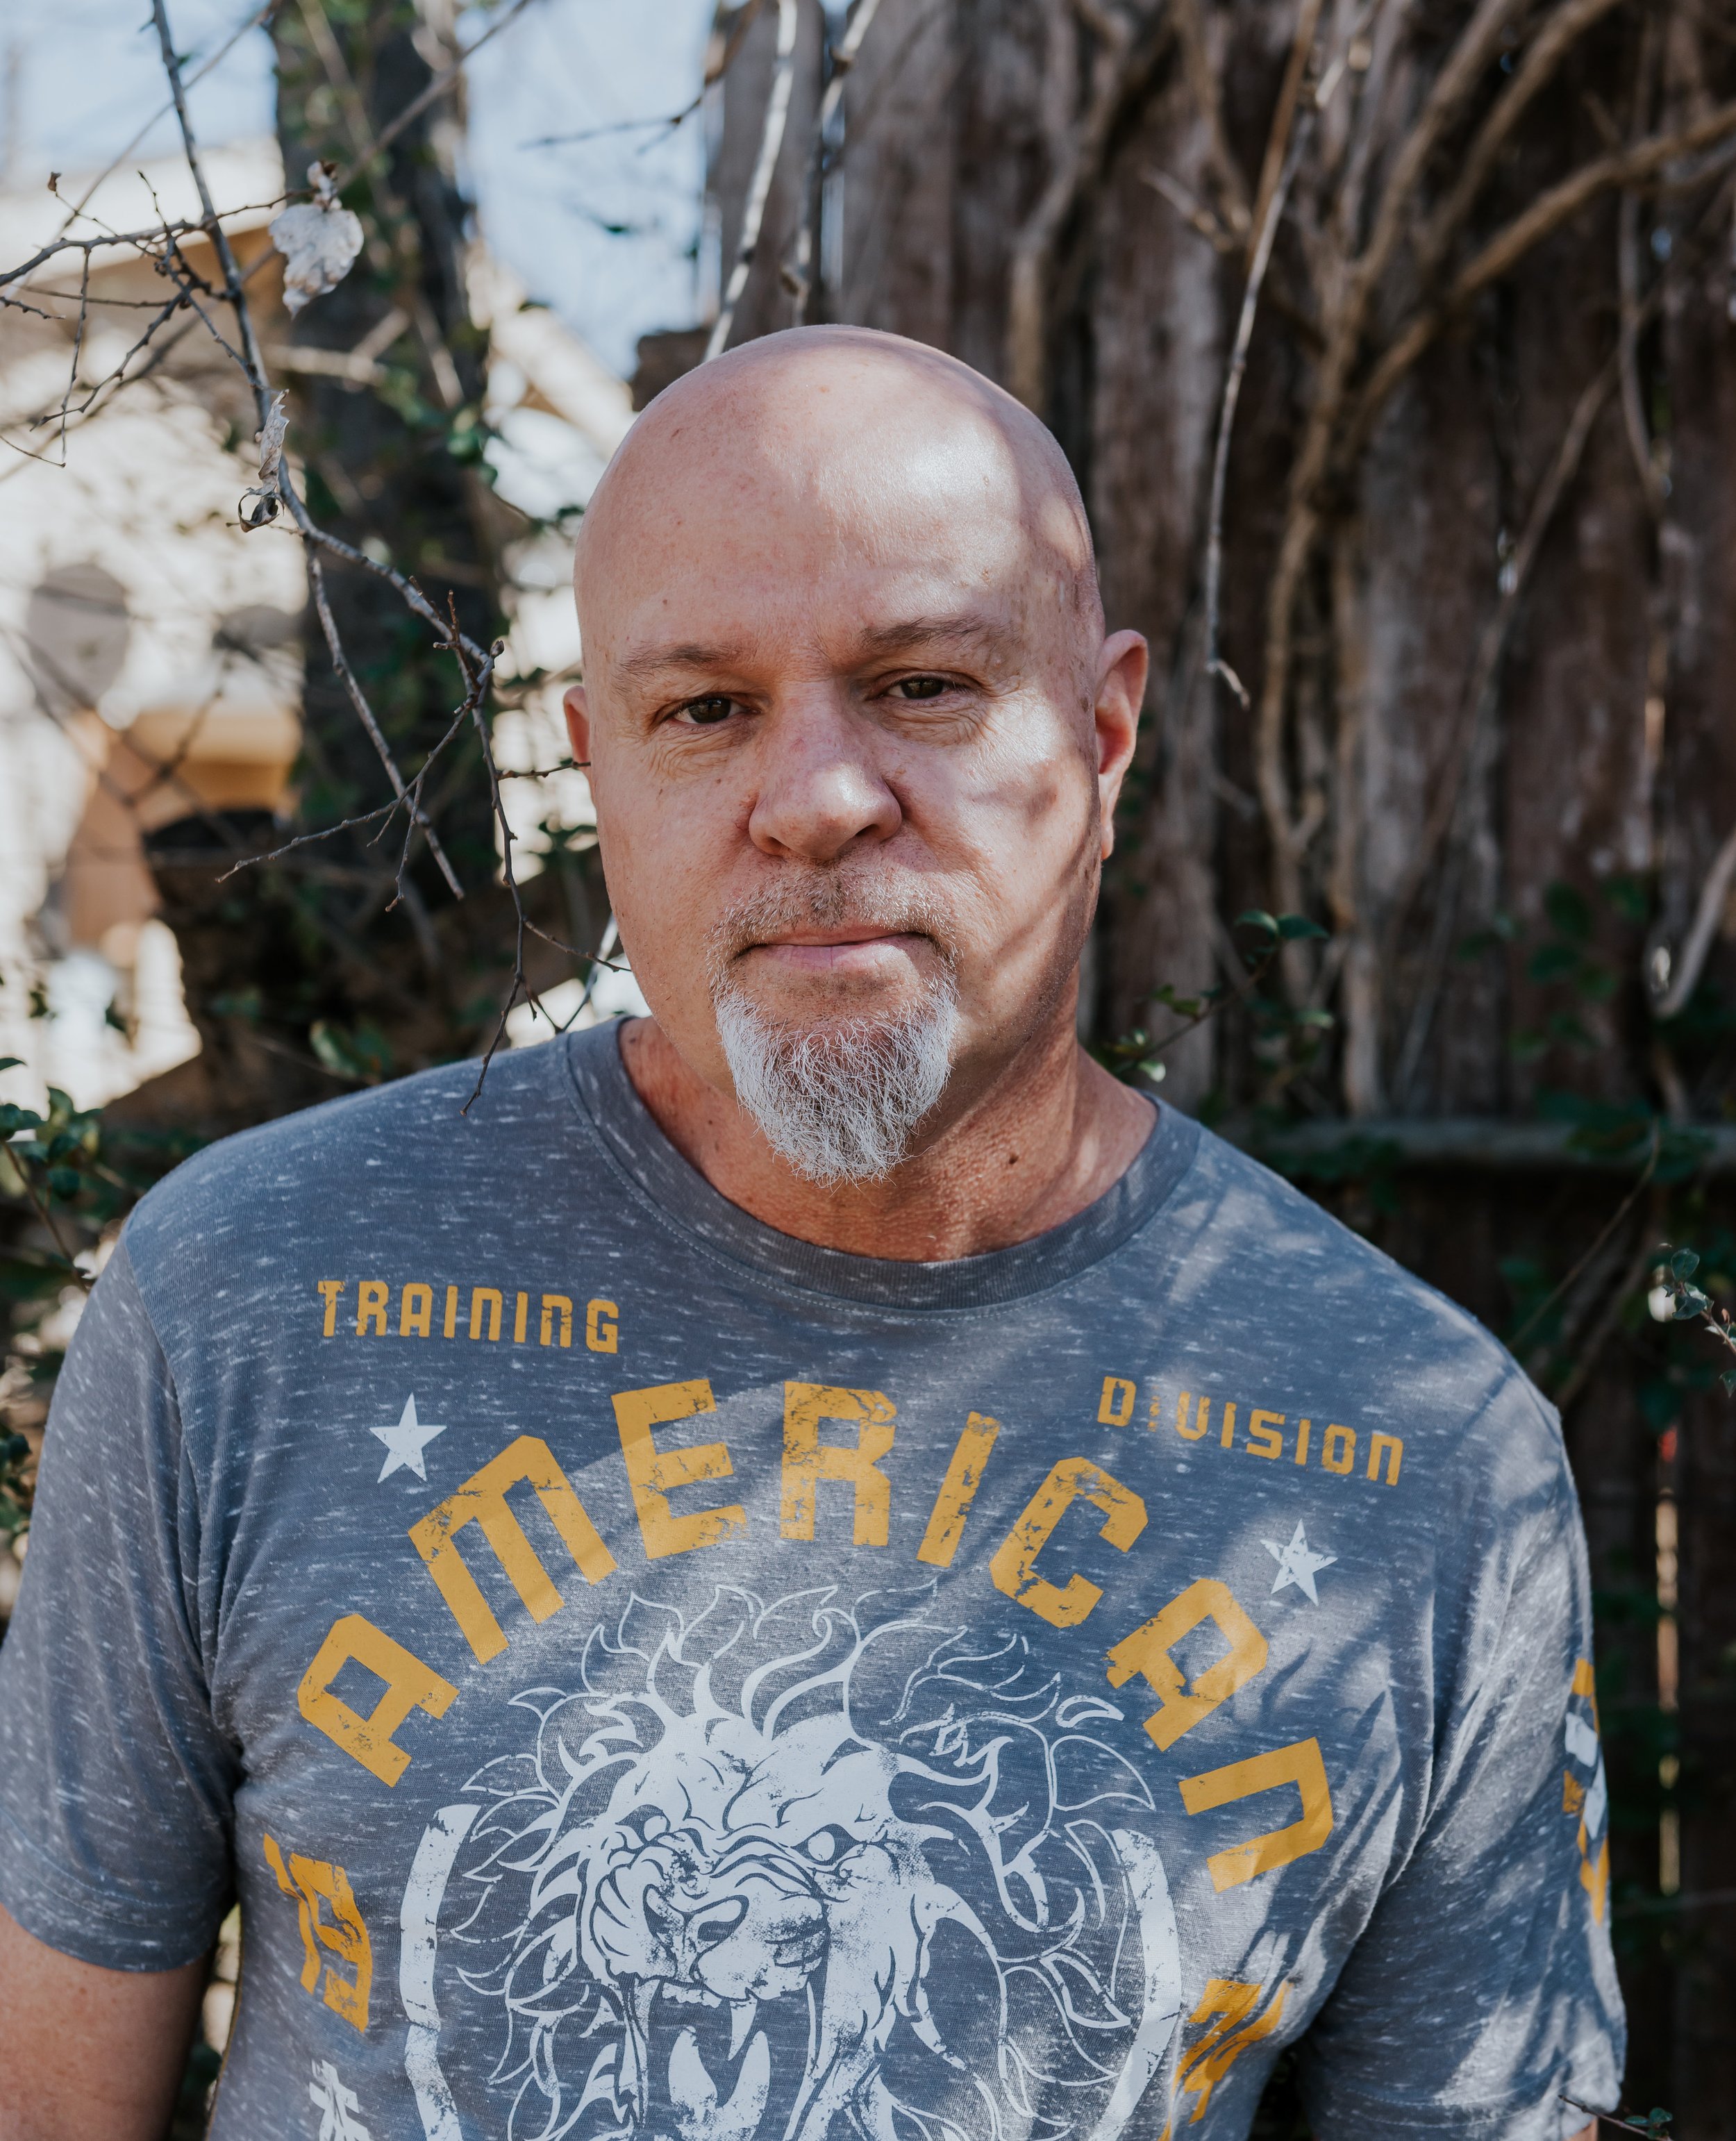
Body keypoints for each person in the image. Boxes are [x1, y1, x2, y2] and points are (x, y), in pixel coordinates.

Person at [0, 328, 1619, 2141]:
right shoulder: (247, 1290)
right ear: (595, 764)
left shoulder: (1421, 1451)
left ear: (1099, 734)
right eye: (704, 708)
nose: (817, 793)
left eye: (920, 683)